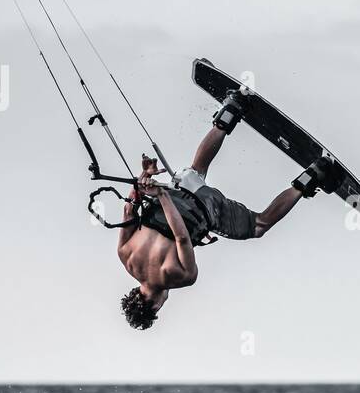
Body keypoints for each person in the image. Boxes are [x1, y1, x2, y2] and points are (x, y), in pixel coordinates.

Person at [116, 97, 341, 329]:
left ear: (154, 307)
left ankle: (314, 174)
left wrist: (162, 198)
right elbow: (128, 208)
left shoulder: (180, 277)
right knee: (197, 170)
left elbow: (182, 238)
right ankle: (230, 111)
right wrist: (145, 179)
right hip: (175, 187)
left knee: (258, 225)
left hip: (204, 207)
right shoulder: (125, 255)